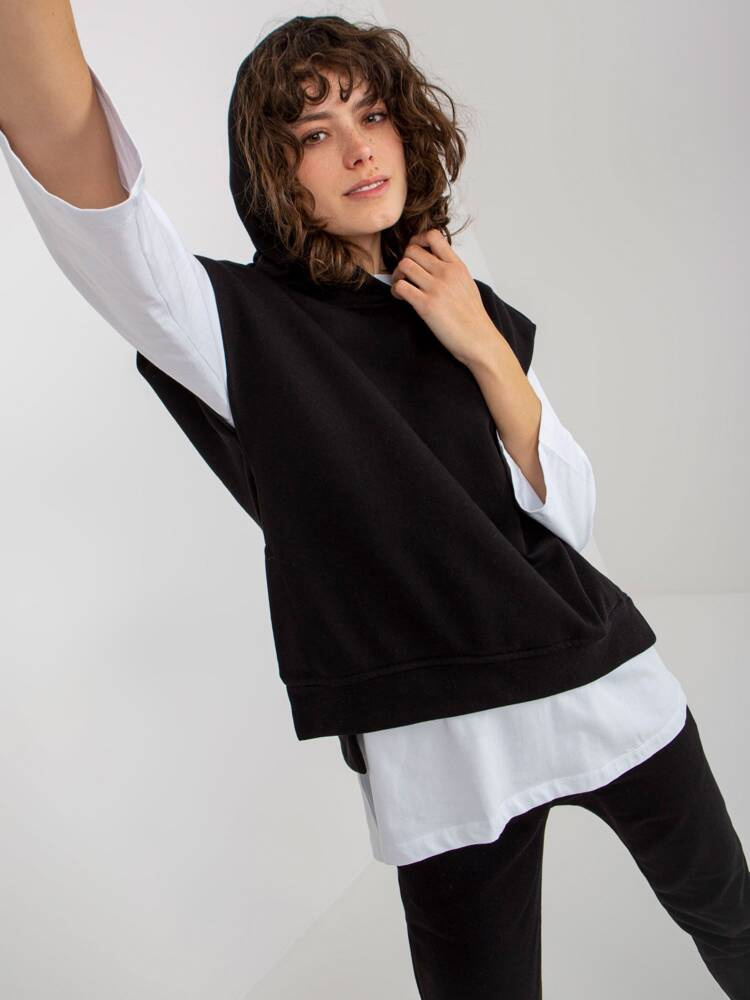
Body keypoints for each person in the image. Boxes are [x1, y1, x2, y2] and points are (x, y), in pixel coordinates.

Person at [1, 8, 748, 997]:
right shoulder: (232, 325)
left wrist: (481, 341)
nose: (359, 148)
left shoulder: (455, 298)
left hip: (606, 684)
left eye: (373, 114)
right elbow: (77, 167)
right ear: (274, 171)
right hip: (440, 745)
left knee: (735, 924)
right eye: (316, 132)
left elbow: (570, 515)